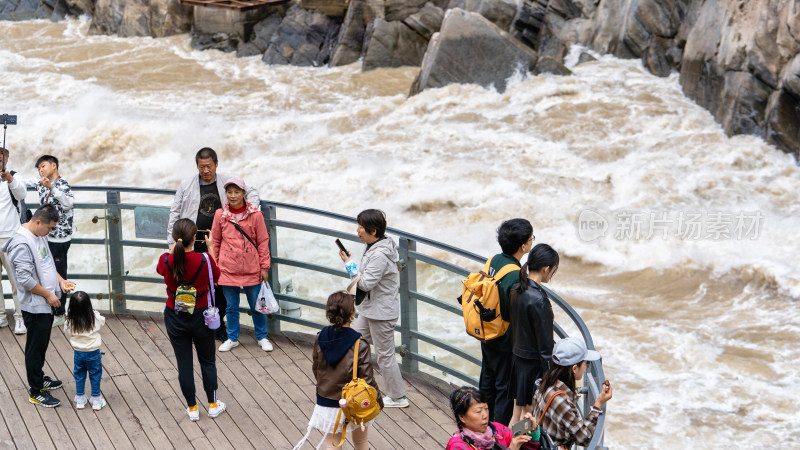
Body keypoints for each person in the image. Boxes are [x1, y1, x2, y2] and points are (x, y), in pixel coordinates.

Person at [168, 147, 260, 341]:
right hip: (191, 243)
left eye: (209, 166)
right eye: (202, 167)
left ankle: (218, 325)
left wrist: (245, 212)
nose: (206, 171)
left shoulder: (227, 182)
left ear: (216, 164)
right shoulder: (186, 185)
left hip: (220, 244)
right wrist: (172, 242)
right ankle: (194, 324)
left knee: (219, 286)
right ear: (197, 167)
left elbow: (251, 191)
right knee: (192, 284)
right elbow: (174, 213)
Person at [1, 205, 74, 407]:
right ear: (38, 221)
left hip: (46, 302)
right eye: (49, 228)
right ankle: (35, 390)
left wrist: (60, 281)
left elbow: (48, 261)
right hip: (35, 305)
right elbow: (24, 279)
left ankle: (40, 377)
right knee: (35, 347)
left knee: (41, 345)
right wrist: (49, 295)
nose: (50, 232)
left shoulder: (39, 234)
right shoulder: (21, 243)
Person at [293, 291, 382, 450]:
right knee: (361, 442)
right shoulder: (359, 343)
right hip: (354, 402)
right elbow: (367, 378)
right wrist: (379, 401)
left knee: (333, 443)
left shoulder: (320, 337)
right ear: (352, 313)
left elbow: (316, 369)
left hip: (327, 402)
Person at [337, 209, 408, 408]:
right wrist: (351, 263)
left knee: (385, 355)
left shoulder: (380, 254)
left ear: (374, 231)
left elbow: (366, 283)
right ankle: (354, 384)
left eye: (361, 227)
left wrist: (349, 264)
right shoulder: (374, 245)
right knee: (355, 344)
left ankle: (398, 396)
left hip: (381, 312)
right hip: (370, 308)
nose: (358, 230)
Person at [157, 218, 226, 421]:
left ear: (174, 239)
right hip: (201, 316)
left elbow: (161, 268)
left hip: (175, 316)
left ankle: (192, 408)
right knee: (207, 361)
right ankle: (213, 405)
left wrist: (173, 248)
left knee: (184, 364)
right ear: (194, 238)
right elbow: (218, 274)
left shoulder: (166, 260)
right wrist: (212, 247)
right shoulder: (204, 260)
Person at [479, 219, 534, 425]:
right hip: (504, 339)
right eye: (531, 239)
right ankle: (498, 434)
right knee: (504, 389)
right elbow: (515, 312)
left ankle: (479, 425)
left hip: (486, 332)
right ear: (523, 246)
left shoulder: (494, 260)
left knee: (487, 381)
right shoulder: (515, 274)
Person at [212, 177, 272, 352]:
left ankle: (262, 337)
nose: (232, 195)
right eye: (229, 192)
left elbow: (262, 241)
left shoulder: (255, 215)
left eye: (236, 192)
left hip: (251, 268)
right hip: (227, 269)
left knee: (257, 305)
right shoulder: (220, 215)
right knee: (231, 306)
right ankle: (232, 338)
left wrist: (264, 267)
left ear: (244, 193)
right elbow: (215, 242)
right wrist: (216, 269)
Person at [509, 243, 559, 425]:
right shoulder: (539, 300)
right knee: (529, 419)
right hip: (532, 367)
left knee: (517, 415)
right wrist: (550, 375)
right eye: (553, 270)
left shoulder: (516, 289)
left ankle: (507, 445)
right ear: (546, 269)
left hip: (518, 360)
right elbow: (546, 347)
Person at [532, 337, 613, 447]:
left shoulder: (547, 381)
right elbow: (584, 438)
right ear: (574, 369)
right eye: (586, 363)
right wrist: (597, 405)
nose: (586, 367)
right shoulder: (559, 400)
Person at [33, 155, 74, 328]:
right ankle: (49, 308)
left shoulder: (62, 184)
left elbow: (69, 203)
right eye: (39, 168)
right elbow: (26, 182)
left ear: (54, 166)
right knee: (47, 272)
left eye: (43, 166)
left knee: (59, 274)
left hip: (59, 238)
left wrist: (52, 188)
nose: (41, 170)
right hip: (44, 237)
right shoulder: (41, 183)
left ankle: (59, 312)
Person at [446, 386, 532, 450]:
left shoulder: (497, 430)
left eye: (486, 409)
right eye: (478, 412)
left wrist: (531, 427)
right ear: (462, 417)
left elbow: (527, 445)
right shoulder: (458, 446)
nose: (485, 415)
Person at [0, 147, 28, 334]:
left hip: (10, 236)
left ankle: (20, 318)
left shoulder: (16, 178)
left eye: (2, 156)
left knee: (16, 280)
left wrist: (9, 179)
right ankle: (1, 316)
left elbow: (21, 194)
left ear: (7, 158)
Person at [64, 290, 107, 410]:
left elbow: (68, 332)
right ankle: (96, 400)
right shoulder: (94, 317)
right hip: (93, 352)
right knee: (95, 374)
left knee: (79, 375)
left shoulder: (70, 321)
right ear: (89, 305)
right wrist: (94, 313)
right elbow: (102, 322)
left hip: (78, 353)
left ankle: (80, 399)